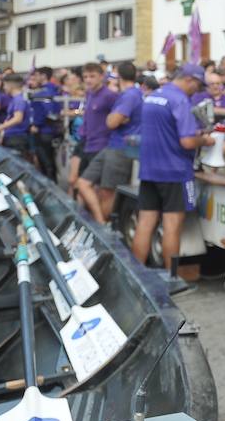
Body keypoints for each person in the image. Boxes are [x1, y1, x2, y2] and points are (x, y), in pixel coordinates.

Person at [132, 63, 212, 269]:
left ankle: (136, 276)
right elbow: (186, 141)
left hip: (149, 170)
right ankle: (171, 278)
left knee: (145, 224)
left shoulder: (152, 96)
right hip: (174, 172)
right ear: (189, 80)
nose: (197, 90)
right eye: (197, 85)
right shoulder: (180, 100)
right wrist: (205, 141)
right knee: (172, 227)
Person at [77, 62, 142, 225]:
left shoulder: (130, 95)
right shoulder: (126, 94)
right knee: (83, 183)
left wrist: (112, 117)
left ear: (118, 75)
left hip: (121, 148)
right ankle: (100, 222)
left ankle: (104, 225)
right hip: (112, 146)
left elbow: (112, 122)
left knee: (107, 191)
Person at [76, 62, 117, 186]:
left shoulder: (110, 96)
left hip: (102, 146)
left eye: (92, 76)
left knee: (93, 185)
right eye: (86, 77)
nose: (88, 80)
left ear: (101, 76)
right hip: (87, 143)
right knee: (80, 183)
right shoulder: (89, 94)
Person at [26, 66, 62, 179]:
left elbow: (46, 112)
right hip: (51, 131)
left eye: (36, 75)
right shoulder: (55, 90)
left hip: (43, 131)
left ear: (43, 76)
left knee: (46, 163)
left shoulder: (43, 93)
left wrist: (36, 124)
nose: (34, 78)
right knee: (49, 162)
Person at [0, 74, 31, 155]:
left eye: (5, 85)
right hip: (12, 136)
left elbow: (17, 118)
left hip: (16, 138)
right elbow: (10, 118)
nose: (4, 88)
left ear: (10, 86)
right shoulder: (15, 99)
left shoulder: (19, 100)